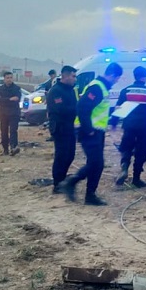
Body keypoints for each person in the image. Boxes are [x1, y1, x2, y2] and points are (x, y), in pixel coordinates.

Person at [61, 63, 123, 206]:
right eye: (117, 78)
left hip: (97, 131)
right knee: (96, 163)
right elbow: (82, 107)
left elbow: (98, 107)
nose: (116, 81)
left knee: (97, 164)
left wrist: (115, 109)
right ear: (112, 75)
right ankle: (71, 182)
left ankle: (90, 195)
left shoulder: (102, 88)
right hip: (89, 131)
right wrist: (88, 129)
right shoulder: (97, 87)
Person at [112, 66, 146, 188]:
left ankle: (124, 167)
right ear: (144, 77)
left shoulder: (126, 91)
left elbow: (118, 109)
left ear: (134, 76)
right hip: (144, 127)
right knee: (142, 151)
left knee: (126, 147)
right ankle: (136, 179)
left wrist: (114, 123)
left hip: (129, 125)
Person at [47, 66, 79, 194]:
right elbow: (60, 109)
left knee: (70, 155)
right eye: (73, 76)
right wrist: (78, 109)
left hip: (70, 127)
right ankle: (57, 183)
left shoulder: (70, 90)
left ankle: (62, 177)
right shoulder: (56, 91)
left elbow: (72, 106)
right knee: (61, 155)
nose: (74, 79)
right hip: (60, 127)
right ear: (65, 76)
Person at [0, 71, 23, 156]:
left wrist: (4, 100)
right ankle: (5, 150)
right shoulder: (0, 89)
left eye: (10, 77)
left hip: (14, 113)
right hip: (3, 114)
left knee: (13, 131)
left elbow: (17, 98)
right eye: (7, 78)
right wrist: (9, 99)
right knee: (4, 132)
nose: (9, 79)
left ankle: (13, 148)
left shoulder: (17, 88)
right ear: (4, 79)